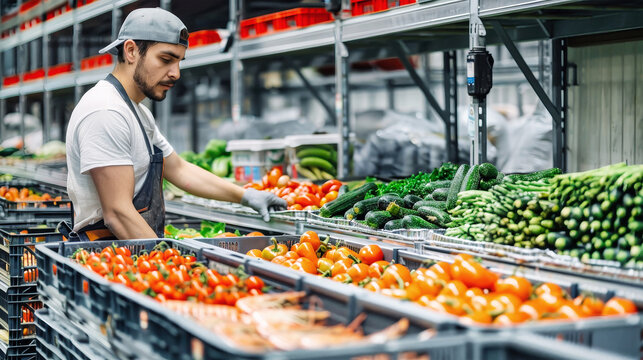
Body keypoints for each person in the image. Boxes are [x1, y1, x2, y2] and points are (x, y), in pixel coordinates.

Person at [65, 8, 286, 241]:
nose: (176, 73)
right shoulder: (106, 111)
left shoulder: (137, 112)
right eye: (166, 60)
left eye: (179, 62)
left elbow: (179, 169)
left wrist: (245, 196)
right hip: (106, 256)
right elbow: (118, 213)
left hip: (129, 249)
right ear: (131, 51)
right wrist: (169, 257)